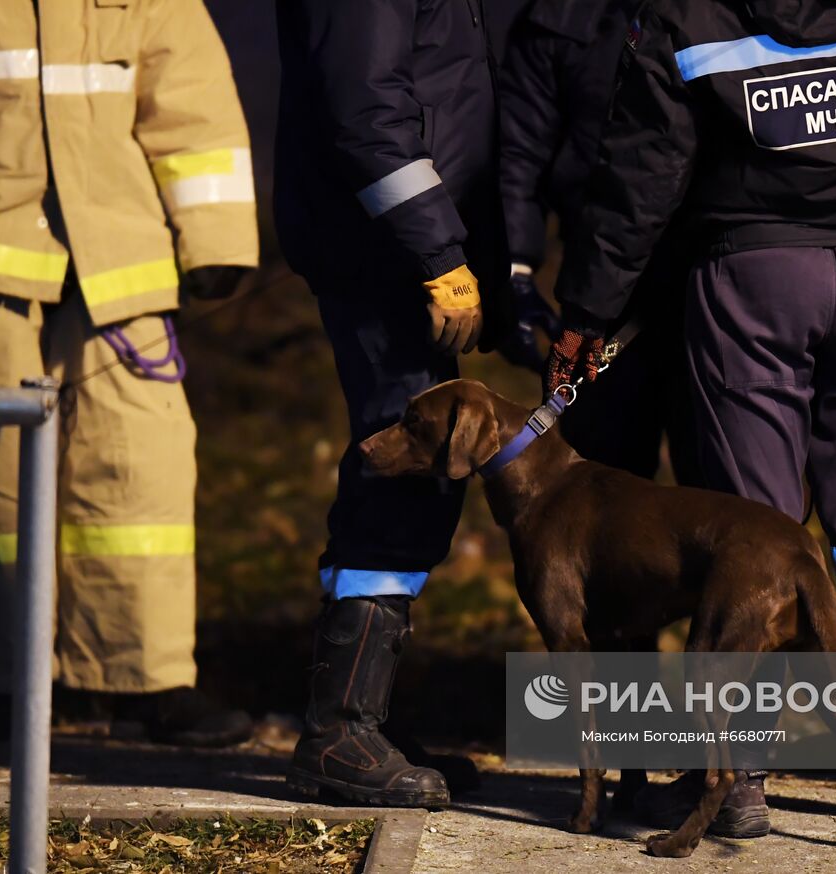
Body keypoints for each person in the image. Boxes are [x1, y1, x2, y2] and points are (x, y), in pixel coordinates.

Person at [545, 0, 836, 834]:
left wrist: (588, 310)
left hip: (751, 275)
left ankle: (738, 787)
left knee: (752, 537)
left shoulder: (689, 11)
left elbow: (643, 170)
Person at [0, 0, 258, 747]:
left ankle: (147, 681)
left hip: (118, 257)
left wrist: (216, 234)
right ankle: (12, 683)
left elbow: (190, 98)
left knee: (139, 476)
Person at [274, 0, 506, 806]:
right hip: (385, 254)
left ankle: (358, 720)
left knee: (416, 486)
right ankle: (338, 733)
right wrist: (436, 249)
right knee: (401, 471)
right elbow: (365, 109)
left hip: (405, 246)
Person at [499, 0, 701, 485]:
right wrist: (515, 269)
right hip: (599, 287)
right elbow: (518, 150)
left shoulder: (728, 14)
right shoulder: (559, 17)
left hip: (713, 275)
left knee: (727, 494)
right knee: (600, 490)